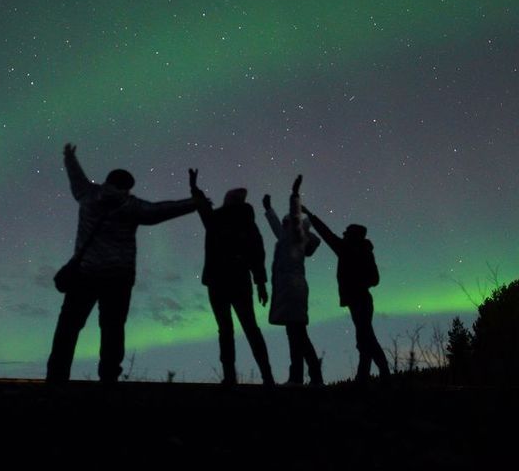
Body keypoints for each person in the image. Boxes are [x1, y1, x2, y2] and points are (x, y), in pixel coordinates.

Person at [46, 143, 202, 384]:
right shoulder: (132, 206)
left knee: (68, 328)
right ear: (128, 188)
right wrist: (193, 204)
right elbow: (160, 211)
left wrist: (69, 156)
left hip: (85, 273)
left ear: (108, 180)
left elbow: (75, 176)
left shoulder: (88, 195)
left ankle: (56, 379)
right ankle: (109, 379)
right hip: (118, 277)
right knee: (112, 329)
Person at [189, 169, 275, 386]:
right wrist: (261, 283)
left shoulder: (216, 219)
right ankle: (267, 376)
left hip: (218, 280)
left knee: (226, 329)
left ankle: (230, 377)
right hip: (238, 279)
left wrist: (194, 188)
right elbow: (258, 253)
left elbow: (203, 209)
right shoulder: (246, 222)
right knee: (250, 327)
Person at [301, 202, 391, 382]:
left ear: (353, 236)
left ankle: (378, 373)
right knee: (365, 337)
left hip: (359, 300)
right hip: (362, 299)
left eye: (347, 233)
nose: (343, 235)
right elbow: (375, 279)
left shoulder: (348, 249)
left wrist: (310, 215)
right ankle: (367, 376)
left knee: (365, 338)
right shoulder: (363, 251)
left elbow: (326, 234)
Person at [263, 174, 323, 386]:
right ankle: (301, 376)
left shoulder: (295, 237)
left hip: (292, 291)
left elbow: (292, 221)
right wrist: (269, 210)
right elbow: (278, 229)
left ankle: (308, 376)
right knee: (297, 335)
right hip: (291, 291)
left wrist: (295, 194)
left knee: (298, 336)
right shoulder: (290, 240)